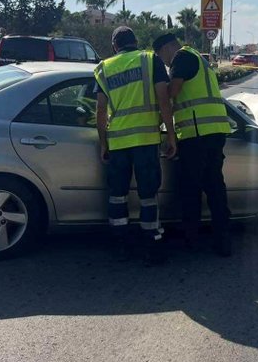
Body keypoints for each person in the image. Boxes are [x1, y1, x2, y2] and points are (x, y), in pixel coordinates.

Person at [95, 26, 176, 264]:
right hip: (146, 140)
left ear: (114, 46)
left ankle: (120, 243)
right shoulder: (150, 59)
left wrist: (103, 144)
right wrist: (170, 136)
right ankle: (151, 243)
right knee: (148, 195)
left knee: (117, 195)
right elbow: (164, 100)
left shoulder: (103, 68)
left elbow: (100, 110)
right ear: (136, 41)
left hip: (118, 142)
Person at [152, 33, 232, 257]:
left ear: (167, 48)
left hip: (197, 134)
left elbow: (171, 93)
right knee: (215, 188)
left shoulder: (182, 58)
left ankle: (191, 241)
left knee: (190, 189)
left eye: (161, 58)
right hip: (214, 132)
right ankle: (222, 241)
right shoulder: (199, 58)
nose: (165, 63)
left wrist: (157, 108)